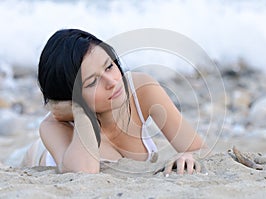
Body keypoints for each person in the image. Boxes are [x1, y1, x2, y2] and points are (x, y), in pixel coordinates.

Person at [22, 29, 206, 175]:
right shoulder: (53, 125)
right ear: (69, 95)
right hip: (37, 155)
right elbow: (85, 172)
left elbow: (199, 150)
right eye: (93, 82)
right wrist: (79, 111)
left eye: (110, 66)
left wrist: (187, 155)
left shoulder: (142, 89)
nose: (112, 82)